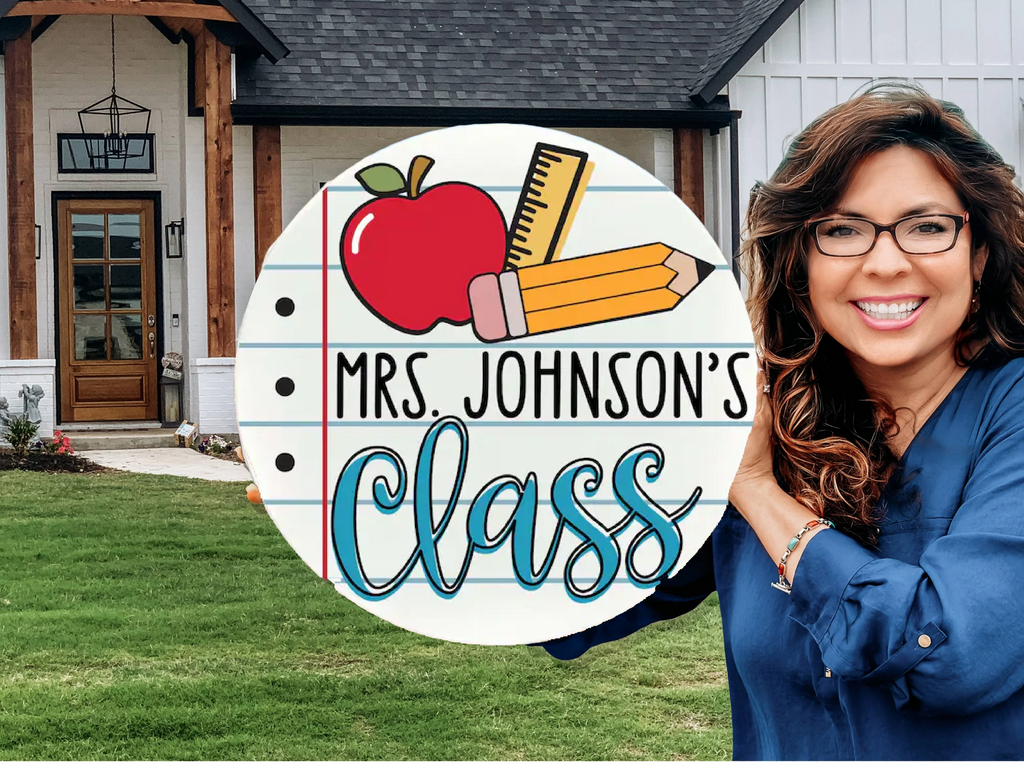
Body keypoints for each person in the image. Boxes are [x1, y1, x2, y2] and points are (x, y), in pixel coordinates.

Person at [540, 83, 1024, 761]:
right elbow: (572, 593)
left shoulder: (1010, 414)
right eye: (843, 230)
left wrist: (759, 492)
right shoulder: (771, 414)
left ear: (979, 253)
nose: (885, 263)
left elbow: (949, 656)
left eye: (927, 226)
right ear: (801, 262)